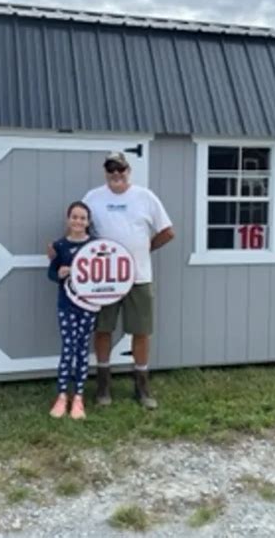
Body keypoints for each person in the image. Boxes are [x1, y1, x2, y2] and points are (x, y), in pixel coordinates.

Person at [83, 152, 175, 409]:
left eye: (120, 168)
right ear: (105, 172)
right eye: (111, 169)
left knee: (141, 331)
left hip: (139, 278)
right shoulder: (93, 198)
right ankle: (103, 386)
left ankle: (142, 387)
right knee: (103, 329)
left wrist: (144, 249)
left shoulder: (145, 197)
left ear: (128, 170)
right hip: (104, 279)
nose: (116, 174)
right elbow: (80, 228)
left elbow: (168, 232)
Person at [47, 201, 98, 420]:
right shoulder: (60, 246)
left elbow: (105, 271)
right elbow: (50, 273)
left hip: (88, 305)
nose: (78, 221)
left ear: (88, 222)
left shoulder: (97, 245)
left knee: (82, 347)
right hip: (66, 304)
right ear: (68, 220)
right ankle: (61, 396)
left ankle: (78, 396)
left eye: (82, 218)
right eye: (74, 217)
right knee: (68, 347)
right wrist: (59, 272)